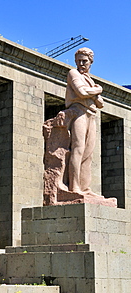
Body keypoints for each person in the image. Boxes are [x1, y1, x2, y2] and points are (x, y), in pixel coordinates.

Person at [65, 47, 104, 195]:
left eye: (84, 61)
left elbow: (101, 103)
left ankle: (85, 187)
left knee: (88, 154)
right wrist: (97, 90)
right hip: (78, 112)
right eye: (78, 61)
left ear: (90, 62)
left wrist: (93, 92)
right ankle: (74, 187)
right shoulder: (73, 73)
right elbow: (81, 93)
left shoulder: (89, 79)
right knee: (78, 148)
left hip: (91, 115)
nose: (81, 64)